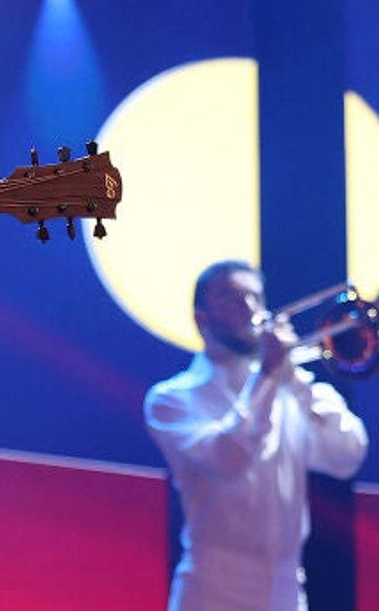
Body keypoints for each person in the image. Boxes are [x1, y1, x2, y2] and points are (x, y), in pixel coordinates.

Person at [143, 260, 368, 611]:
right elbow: (229, 458)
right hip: (212, 591)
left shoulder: (293, 388)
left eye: (255, 297)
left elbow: (347, 456)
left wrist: (291, 378)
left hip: (287, 592)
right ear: (201, 318)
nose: (249, 307)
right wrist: (266, 375)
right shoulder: (172, 398)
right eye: (233, 298)